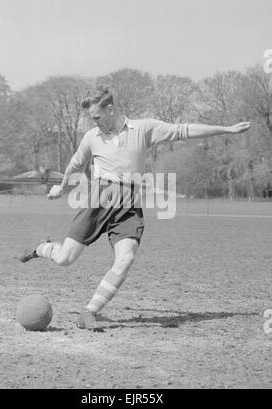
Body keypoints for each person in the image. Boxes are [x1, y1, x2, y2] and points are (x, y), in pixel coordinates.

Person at [19, 86, 251, 330]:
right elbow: (74, 164)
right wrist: (62, 187)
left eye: (97, 117)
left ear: (111, 109)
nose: (94, 122)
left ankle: (88, 312)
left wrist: (226, 129)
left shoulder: (143, 128)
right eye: (91, 119)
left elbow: (183, 130)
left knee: (126, 258)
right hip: (99, 199)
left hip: (129, 203)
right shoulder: (91, 137)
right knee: (65, 258)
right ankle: (41, 248)